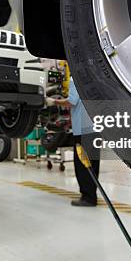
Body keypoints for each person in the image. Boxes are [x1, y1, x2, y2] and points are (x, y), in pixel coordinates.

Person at [47, 77, 100, 207]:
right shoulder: (93, 78)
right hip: (95, 127)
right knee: (92, 163)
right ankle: (92, 195)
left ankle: (88, 198)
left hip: (82, 129)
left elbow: (72, 101)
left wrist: (53, 101)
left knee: (82, 164)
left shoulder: (75, 77)